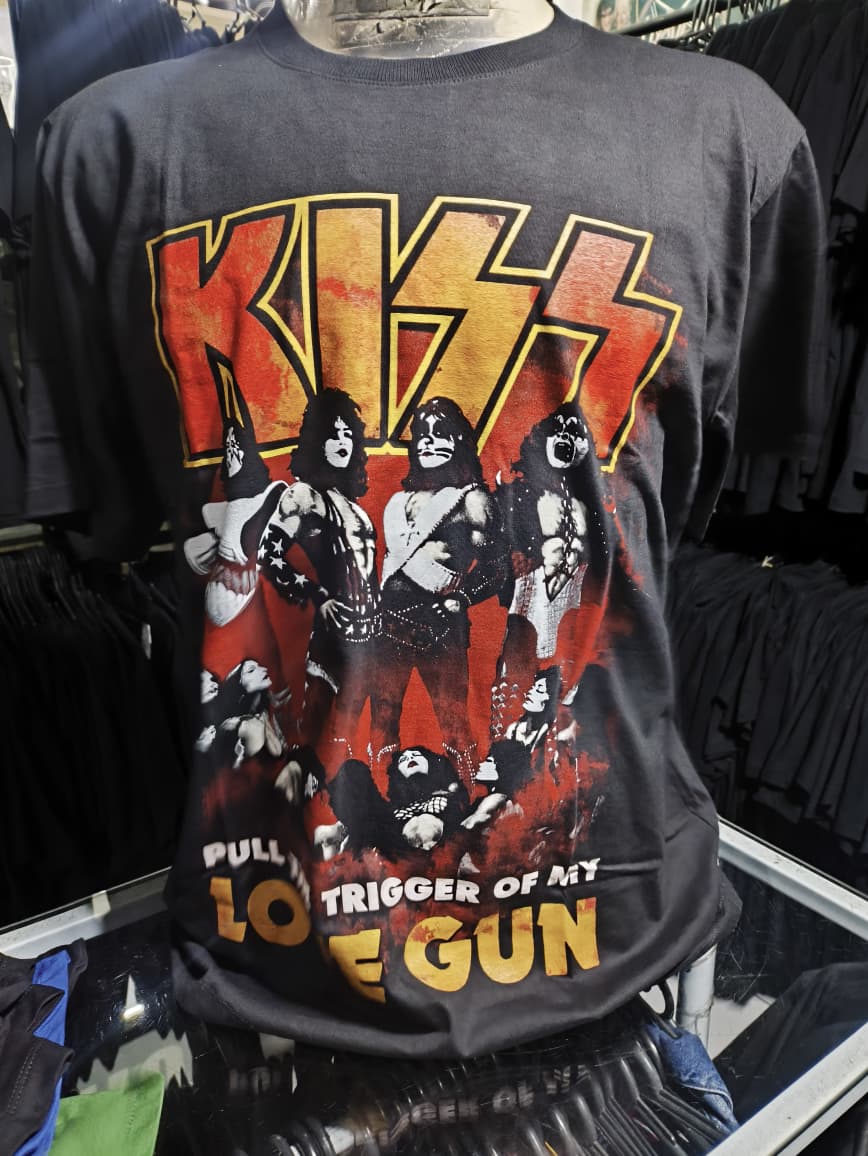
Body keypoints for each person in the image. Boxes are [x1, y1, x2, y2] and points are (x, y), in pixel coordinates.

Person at [371, 397, 507, 782]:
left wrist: (462, 598)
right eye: (422, 434)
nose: (428, 442)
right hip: (389, 625)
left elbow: (497, 567)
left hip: (440, 626)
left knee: (454, 724)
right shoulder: (398, 501)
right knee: (382, 720)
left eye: (440, 433)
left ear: (459, 441)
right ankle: (375, 798)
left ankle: (467, 798)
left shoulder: (473, 500)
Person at [258, 388, 380, 748]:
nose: (342, 442)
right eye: (333, 433)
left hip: (371, 639)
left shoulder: (352, 505)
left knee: (354, 743)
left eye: (347, 434)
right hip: (333, 640)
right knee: (315, 741)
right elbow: (268, 553)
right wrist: (317, 594)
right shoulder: (304, 495)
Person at [495, 402, 609, 726]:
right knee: (515, 678)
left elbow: (605, 557)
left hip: (572, 602)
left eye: (575, 433)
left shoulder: (590, 504)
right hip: (530, 598)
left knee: (562, 691)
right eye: (557, 430)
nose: (565, 437)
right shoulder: (521, 491)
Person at [314, 745, 471, 858]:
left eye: (416, 755)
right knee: (353, 769)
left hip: (445, 847)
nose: (410, 758)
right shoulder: (390, 808)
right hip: (394, 848)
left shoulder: (452, 794)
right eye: (404, 759)